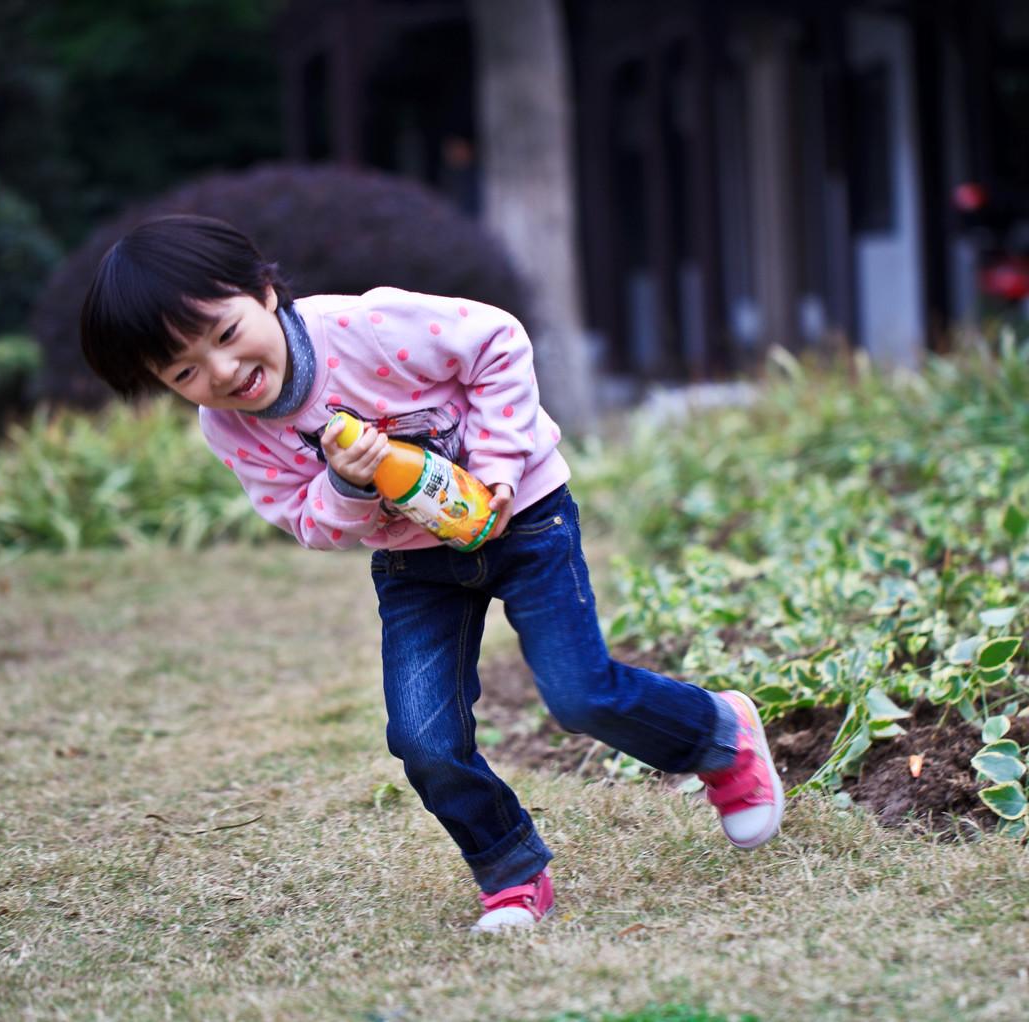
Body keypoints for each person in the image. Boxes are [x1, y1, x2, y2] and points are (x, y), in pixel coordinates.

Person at [80, 214, 784, 933]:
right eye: (185, 372)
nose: (222, 373)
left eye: (225, 335)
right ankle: (508, 869)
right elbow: (301, 518)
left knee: (579, 696)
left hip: (526, 517)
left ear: (263, 292)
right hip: (416, 564)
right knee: (423, 737)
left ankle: (718, 735)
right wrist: (348, 489)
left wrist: (503, 466)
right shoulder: (229, 429)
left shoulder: (366, 328)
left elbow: (497, 341)